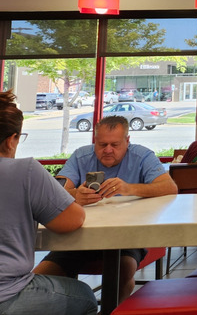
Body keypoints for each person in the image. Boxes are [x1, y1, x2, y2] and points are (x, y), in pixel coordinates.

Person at [33, 115, 178, 303]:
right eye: (102, 145)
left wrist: (129, 188)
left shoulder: (142, 156)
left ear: (127, 141)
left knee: (123, 271)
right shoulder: (81, 156)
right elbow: (57, 191)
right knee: (39, 278)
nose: (108, 150)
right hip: (78, 238)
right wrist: (75, 194)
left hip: (128, 237)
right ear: (95, 141)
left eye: (115, 145)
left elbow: (170, 188)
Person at [0, 91, 98, 315]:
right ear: (10, 140)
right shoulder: (24, 171)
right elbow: (72, 221)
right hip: (6, 294)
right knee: (85, 297)